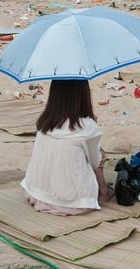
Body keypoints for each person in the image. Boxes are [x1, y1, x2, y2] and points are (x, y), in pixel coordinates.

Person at [21, 80, 111, 216]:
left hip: (35, 193)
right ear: (83, 95)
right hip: (73, 203)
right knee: (99, 154)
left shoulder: (45, 120)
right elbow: (96, 164)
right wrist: (104, 191)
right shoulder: (86, 126)